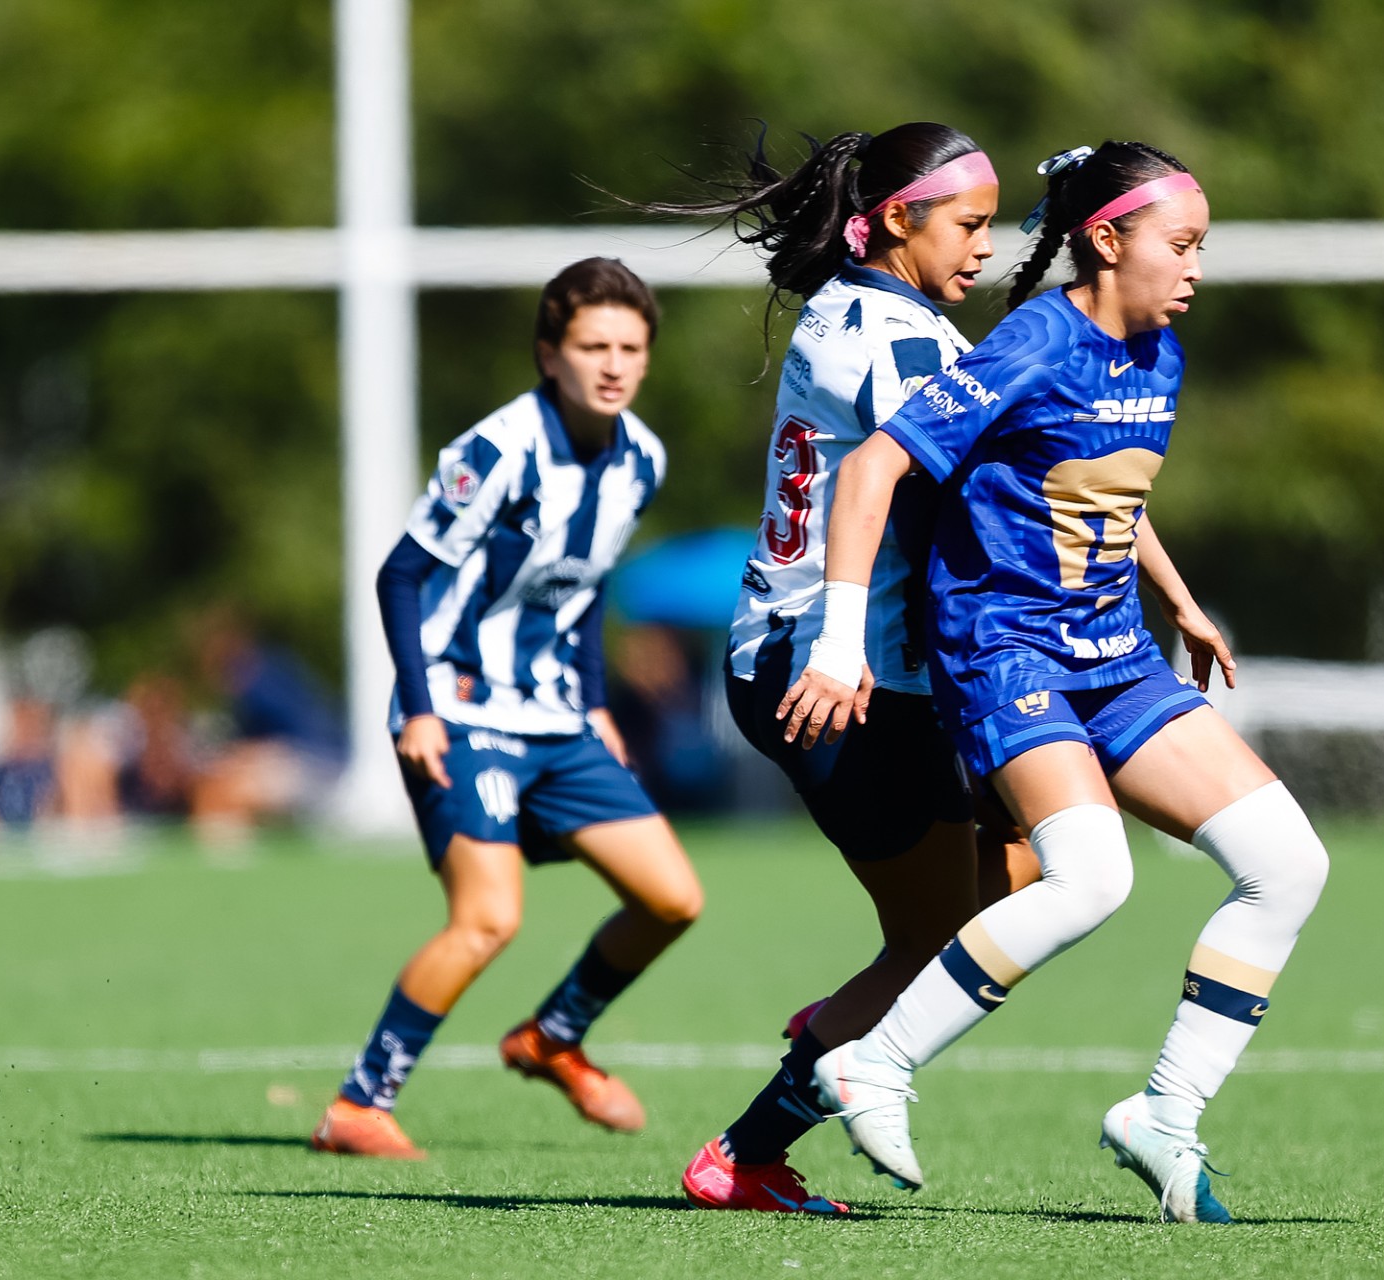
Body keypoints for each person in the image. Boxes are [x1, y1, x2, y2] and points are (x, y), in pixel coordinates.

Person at [784, 142, 1331, 1223]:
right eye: (1181, 244)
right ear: (1108, 239)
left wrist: (1179, 599)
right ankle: (873, 1063)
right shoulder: (1035, 340)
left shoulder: (1159, 354)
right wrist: (840, 641)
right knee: (1090, 876)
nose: (1196, 267)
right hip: (1005, 650)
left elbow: (1103, 492)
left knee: (1289, 864)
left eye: (1203, 247)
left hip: (1114, 655)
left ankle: (1164, 1113)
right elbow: (876, 464)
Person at [645, 122, 1034, 1215]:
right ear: (899, 219)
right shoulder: (894, 344)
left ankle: (838, 1025)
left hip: (843, 668)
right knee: (947, 947)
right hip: (835, 678)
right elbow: (967, 492)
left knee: (1017, 890)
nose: (987, 246)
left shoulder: (870, 311)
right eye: (969, 224)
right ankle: (746, 1152)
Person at [310, 258, 703, 1160]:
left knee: (672, 899)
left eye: (630, 348)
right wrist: (419, 710)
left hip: (555, 716)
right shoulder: (498, 451)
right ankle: (359, 1105)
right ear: (549, 355)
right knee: (488, 918)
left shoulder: (642, 458)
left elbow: (587, 584)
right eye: (593, 347)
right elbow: (400, 574)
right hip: (460, 707)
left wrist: (596, 704)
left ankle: (553, 1038)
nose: (613, 365)